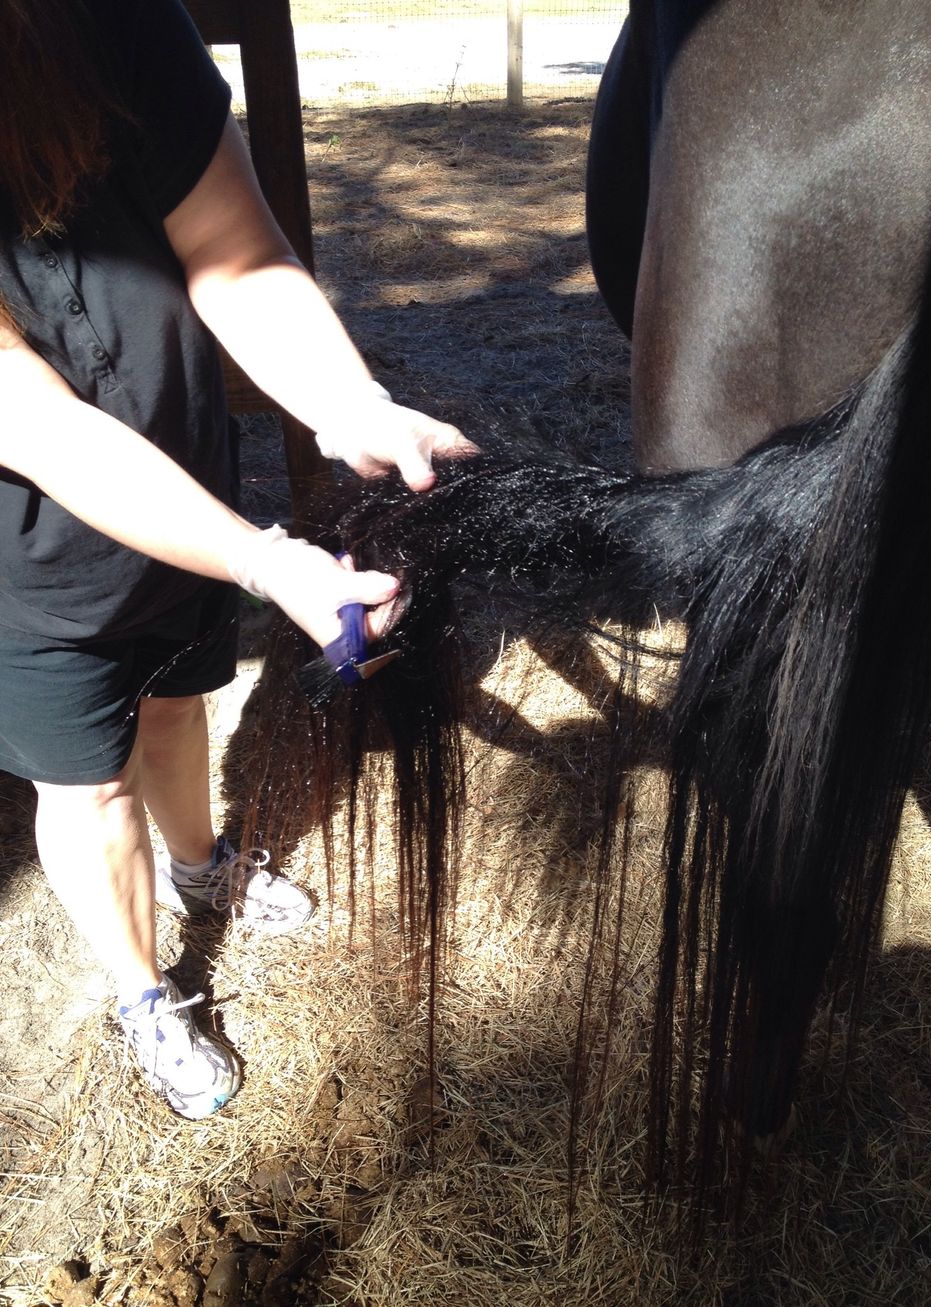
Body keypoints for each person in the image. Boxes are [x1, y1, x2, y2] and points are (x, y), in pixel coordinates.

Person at [0, 0, 474, 1120]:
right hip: (30, 557)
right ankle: (144, 990)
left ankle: (201, 857)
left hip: (186, 488)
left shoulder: (107, 22)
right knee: (87, 781)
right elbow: (36, 421)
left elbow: (233, 247)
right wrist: (266, 560)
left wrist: (348, 402)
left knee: (177, 702)